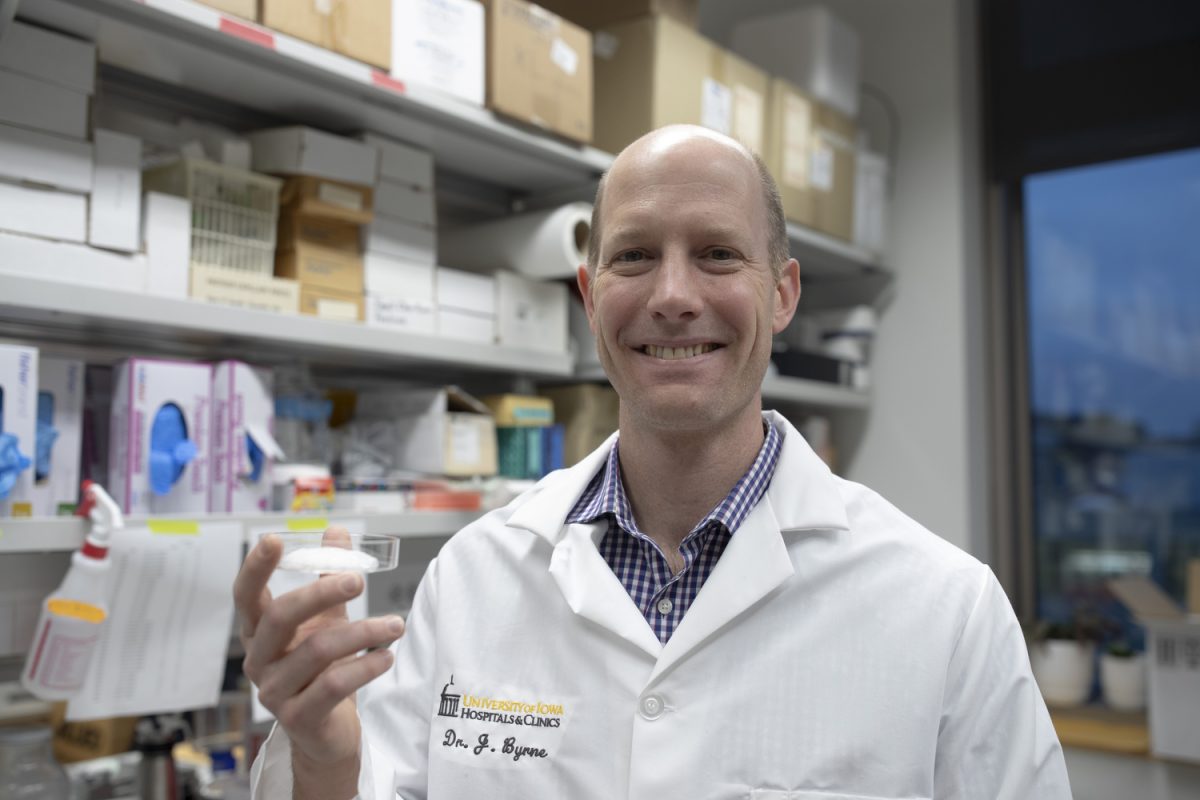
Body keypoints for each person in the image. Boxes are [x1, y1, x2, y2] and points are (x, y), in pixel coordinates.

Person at [237, 125, 1072, 799]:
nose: (673, 295)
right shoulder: (473, 579)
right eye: (634, 255)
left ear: (781, 294)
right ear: (591, 294)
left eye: (717, 253)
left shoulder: (946, 611)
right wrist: (322, 759)